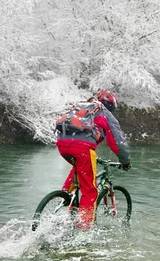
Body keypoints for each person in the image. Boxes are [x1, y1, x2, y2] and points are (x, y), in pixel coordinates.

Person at [55, 89, 131, 230]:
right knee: (90, 190)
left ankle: (65, 195)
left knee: (79, 167)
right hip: (82, 148)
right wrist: (125, 161)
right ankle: (84, 230)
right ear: (111, 106)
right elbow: (117, 141)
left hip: (62, 144)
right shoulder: (105, 114)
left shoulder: (81, 107)